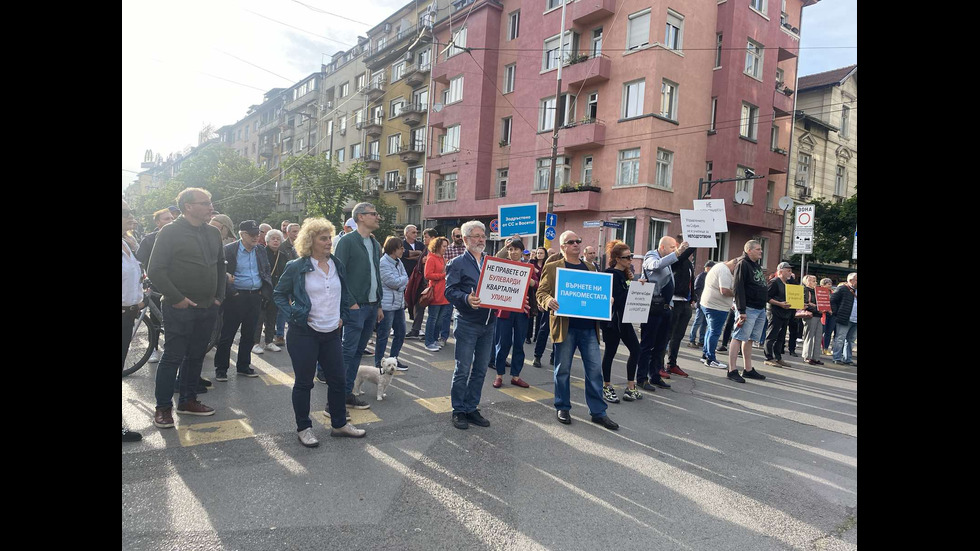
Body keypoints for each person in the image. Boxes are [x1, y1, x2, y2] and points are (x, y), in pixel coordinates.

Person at [274, 218, 365, 446]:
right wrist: (293, 314)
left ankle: (339, 424)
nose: (328, 242)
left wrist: (342, 315)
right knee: (304, 383)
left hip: (331, 332)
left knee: (338, 380)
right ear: (310, 240)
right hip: (304, 333)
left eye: (329, 237)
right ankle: (304, 428)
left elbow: (343, 293)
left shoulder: (336, 264)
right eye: (323, 238)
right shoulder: (297, 266)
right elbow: (278, 294)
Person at [147, 188, 225, 428]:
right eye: (205, 203)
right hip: (178, 308)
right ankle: (163, 408)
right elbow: (155, 270)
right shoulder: (169, 232)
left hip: (207, 307)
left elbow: (220, 267)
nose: (210, 207)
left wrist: (218, 297)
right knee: (172, 357)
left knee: (196, 356)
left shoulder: (213, 232)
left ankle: (189, 401)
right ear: (188, 206)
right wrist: (177, 298)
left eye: (210, 202)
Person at [536, 231, 618, 430]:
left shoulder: (590, 267)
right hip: (566, 327)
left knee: (594, 371)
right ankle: (562, 406)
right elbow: (541, 292)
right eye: (571, 242)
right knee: (562, 369)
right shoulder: (554, 267)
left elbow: (597, 293)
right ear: (563, 246)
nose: (576, 244)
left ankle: (598, 412)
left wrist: (607, 301)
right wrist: (549, 301)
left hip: (589, 328)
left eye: (578, 241)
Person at [330, 202, 384, 411]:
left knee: (358, 352)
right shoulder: (347, 242)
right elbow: (339, 274)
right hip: (355, 307)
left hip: (371, 307)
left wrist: (378, 304)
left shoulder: (374, 243)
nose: (377, 217)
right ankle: (338, 396)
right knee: (348, 352)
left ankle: (348, 394)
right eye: (374, 214)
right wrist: (350, 302)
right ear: (361, 217)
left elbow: (375, 275)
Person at [444, 221, 495, 430]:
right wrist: (466, 298)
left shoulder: (491, 262)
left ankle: (472, 407)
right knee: (463, 369)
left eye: (483, 235)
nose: (481, 239)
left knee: (481, 370)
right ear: (465, 240)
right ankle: (458, 410)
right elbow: (449, 291)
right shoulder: (457, 263)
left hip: (489, 323)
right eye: (476, 236)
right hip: (467, 322)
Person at [214, 220, 272, 378]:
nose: (256, 237)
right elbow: (222, 273)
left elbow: (266, 270)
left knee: (249, 334)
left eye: (257, 234)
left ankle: (243, 366)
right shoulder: (230, 249)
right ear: (242, 234)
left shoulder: (260, 250)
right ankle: (221, 369)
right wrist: (233, 292)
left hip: (255, 296)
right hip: (235, 297)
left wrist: (264, 292)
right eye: (252, 234)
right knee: (227, 334)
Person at [635, 236, 688, 391]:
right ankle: (642, 378)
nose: (674, 250)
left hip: (665, 308)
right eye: (672, 247)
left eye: (675, 248)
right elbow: (656, 266)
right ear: (663, 247)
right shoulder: (651, 256)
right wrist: (677, 253)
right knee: (647, 345)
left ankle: (655, 376)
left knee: (660, 346)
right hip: (652, 308)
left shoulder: (668, 259)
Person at [600, 240, 642, 403]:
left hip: (624, 319)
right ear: (617, 258)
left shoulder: (624, 274)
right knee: (610, 352)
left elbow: (626, 295)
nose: (630, 260)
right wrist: (633, 288)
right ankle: (606, 386)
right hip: (613, 321)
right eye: (627, 257)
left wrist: (637, 286)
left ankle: (630, 387)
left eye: (631, 256)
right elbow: (617, 298)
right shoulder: (611, 274)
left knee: (635, 349)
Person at [135, 207, 177, 364]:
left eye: (172, 218)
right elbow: (139, 262)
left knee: (174, 318)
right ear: (157, 222)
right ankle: (153, 348)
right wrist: (141, 279)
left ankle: (173, 347)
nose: (170, 221)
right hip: (156, 285)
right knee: (155, 319)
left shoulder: (179, 237)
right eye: (166, 219)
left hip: (177, 285)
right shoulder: (149, 239)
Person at [490, 237, 531, 389]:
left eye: (516, 249)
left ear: (522, 251)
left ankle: (516, 376)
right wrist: (504, 246)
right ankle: (499, 375)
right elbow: (492, 262)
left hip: (522, 311)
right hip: (504, 311)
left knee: (519, 344)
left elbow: (539, 284)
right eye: (510, 249)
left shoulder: (528, 267)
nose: (513, 252)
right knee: (502, 343)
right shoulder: (502, 265)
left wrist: (532, 282)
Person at [727, 240, 768, 383]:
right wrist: (741, 310)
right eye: (758, 249)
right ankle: (732, 370)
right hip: (748, 308)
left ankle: (748, 369)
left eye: (761, 249)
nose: (761, 251)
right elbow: (738, 288)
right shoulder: (742, 264)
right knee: (738, 337)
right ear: (749, 250)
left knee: (749, 338)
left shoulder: (756, 265)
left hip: (759, 308)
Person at [122, 199, 145, 442]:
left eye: (131, 211)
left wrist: (138, 300)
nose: (131, 217)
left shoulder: (126, 243)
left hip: (127, 316)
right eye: (125, 213)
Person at [254, 229, 295, 350]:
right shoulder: (261, 254)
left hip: (276, 291)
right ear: (267, 241)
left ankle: (269, 341)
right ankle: (255, 343)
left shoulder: (282, 256)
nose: (276, 241)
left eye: (278, 239)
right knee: (259, 317)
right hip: (262, 289)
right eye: (273, 238)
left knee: (272, 316)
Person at [665, 234, 697, 378]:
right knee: (667, 335)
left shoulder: (688, 263)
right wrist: (697, 240)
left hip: (685, 302)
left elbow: (691, 280)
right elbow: (683, 256)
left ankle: (672, 364)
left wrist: (693, 298)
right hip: (674, 302)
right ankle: (658, 364)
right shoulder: (674, 259)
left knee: (678, 336)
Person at [377, 236, 409, 371]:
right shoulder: (383, 262)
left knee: (401, 333)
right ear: (393, 249)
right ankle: (379, 363)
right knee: (383, 335)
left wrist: (400, 284)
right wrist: (400, 283)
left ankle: (394, 360)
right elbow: (392, 282)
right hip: (387, 305)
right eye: (400, 247)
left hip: (399, 304)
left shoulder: (399, 262)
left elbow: (405, 279)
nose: (403, 250)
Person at [700, 258, 738, 369]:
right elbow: (724, 290)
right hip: (716, 307)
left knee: (710, 331)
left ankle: (705, 354)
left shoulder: (720, 266)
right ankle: (710, 359)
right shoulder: (725, 271)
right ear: (734, 265)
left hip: (709, 304)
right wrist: (737, 293)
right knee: (715, 332)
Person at [407, 228, 438, 338]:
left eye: (426, 237)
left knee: (433, 312)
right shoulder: (426, 249)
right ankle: (416, 329)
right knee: (419, 306)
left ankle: (432, 334)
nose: (424, 239)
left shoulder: (436, 252)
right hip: (421, 283)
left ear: (433, 238)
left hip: (431, 285)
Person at [763, 262, 795, 368]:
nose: (790, 273)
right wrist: (779, 304)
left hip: (785, 313)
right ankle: (768, 357)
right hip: (775, 312)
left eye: (790, 270)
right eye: (788, 270)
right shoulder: (774, 282)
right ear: (780, 271)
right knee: (772, 335)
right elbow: (766, 297)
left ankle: (778, 357)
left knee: (781, 337)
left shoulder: (787, 284)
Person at [424, 236, 451, 352]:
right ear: (438, 246)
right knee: (433, 318)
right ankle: (428, 341)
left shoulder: (442, 258)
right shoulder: (431, 258)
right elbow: (427, 275)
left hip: (444, 293)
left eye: (446, 246)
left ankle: (434, 339)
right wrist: (443, 276)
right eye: (444, 246)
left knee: (440, 320)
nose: (446, 248)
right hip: (435, 293)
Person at [531, 247, 553, 368]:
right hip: (549, 305)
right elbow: (543, 288)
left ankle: (554, 357)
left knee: (560, 334)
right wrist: (542, 301)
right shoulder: (550, 269)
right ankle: (537, 356)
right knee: (544, 331)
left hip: (562, 306)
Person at [830, 273, 858, 365]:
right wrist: (836, 313)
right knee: (840, 339)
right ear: (851, 280)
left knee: (851, 340)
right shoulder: (842, 289)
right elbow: (832, 300)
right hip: (845, 318)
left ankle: (847, 359)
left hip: (855, 319)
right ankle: (837, 357)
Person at [688, 261, 715, 349]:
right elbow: (696, 289)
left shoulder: (710, 276)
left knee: (704, 323)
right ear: (707, 268)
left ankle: (701, 340)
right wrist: (704, 295)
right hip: (701, 303)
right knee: (698, 322)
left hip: (708, 303)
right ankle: (692, 339)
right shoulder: (701, 276)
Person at [801, 275, 824, 365]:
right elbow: (805, 303)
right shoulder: (805, 290)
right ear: (807, 282)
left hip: (818, 315)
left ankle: (815, 357)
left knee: (818, 337)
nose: (815, 282)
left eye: (815, 280)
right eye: (813, 280)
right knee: (809, 336)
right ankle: (807, 356)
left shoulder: (817, 290)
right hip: (810, 315)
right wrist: (816, 307)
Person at [820, 278, 835, 355]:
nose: (830, 285)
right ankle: (819, 348)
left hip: (832, 315)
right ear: (823, 285)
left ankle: (825, 348)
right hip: (823, 314)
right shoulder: (820, 293)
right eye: (828, 284)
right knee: (821, 332)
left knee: (829, 332)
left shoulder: (833, 293)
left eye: (830, 283)